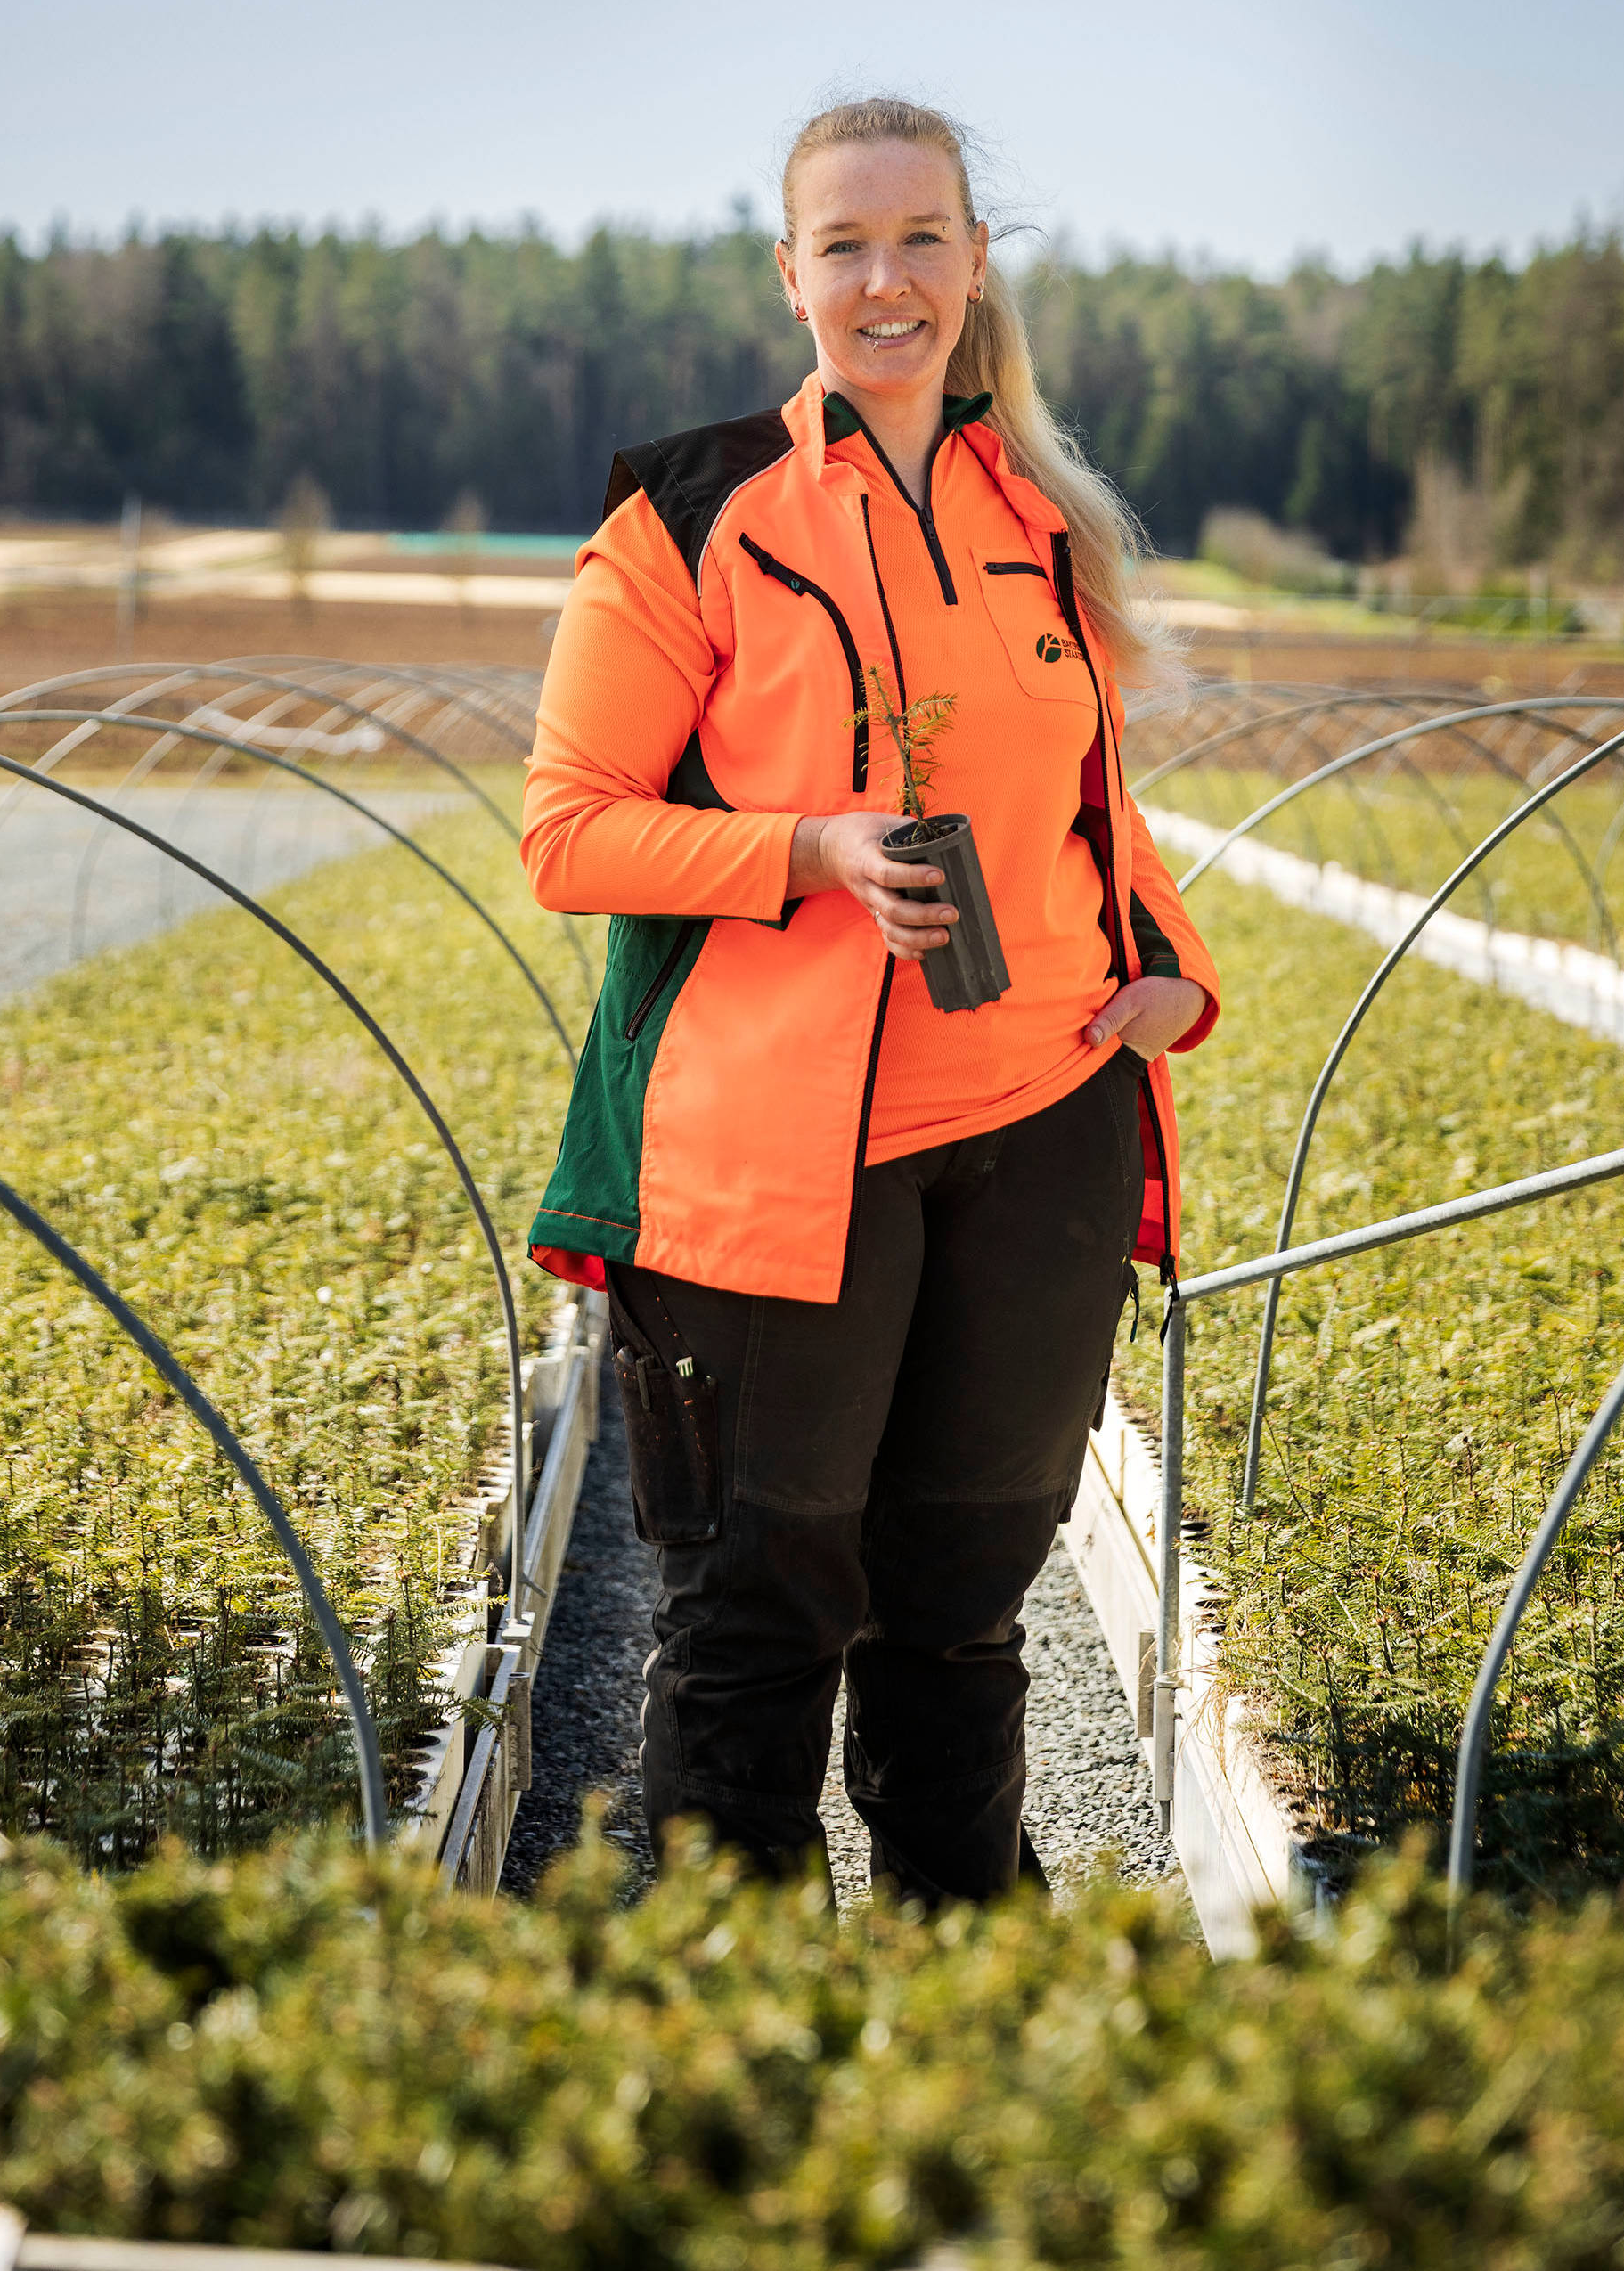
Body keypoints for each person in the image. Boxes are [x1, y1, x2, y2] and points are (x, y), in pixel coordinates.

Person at [520, 96, 1220, 1901]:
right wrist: (808, 848)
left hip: (1041, 1130)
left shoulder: (1035, 516)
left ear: (977, 264)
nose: (888, 277)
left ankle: (965, 2018)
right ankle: (726, 2051)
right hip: (775, 1168)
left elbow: (1093, 799)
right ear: (791, 276)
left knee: (961, 1616)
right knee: (757, 1620)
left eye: (924, 237)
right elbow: (569, 831)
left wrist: (1171, 972)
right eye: (846, 243)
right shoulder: (688, 512)